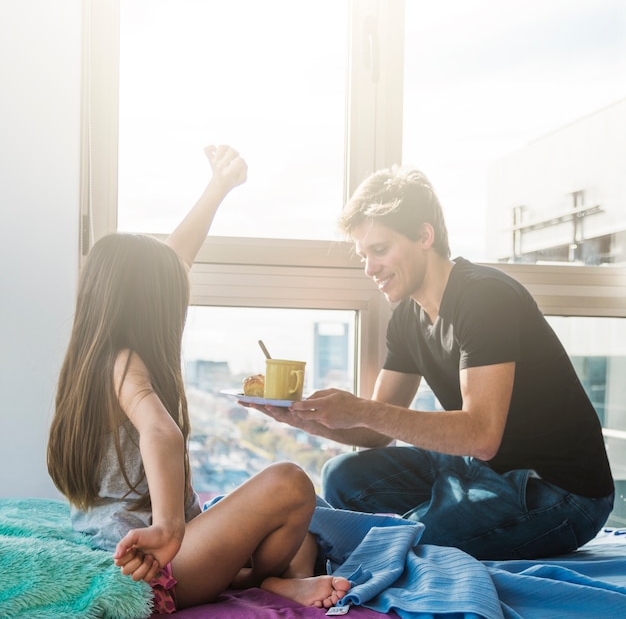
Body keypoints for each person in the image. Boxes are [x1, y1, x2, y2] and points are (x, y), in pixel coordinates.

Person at [250, 165, 615, 561]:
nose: (369, 268)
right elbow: (374, 431)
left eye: (379, 250)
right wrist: (301, 417)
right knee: (343, 477)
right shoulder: (408, 317)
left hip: (560, 491)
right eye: (363, 255)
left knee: (408, 543)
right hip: (480, 468)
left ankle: (403, 533)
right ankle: (417, 524)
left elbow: (480, 436)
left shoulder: (484, 297)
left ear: (424, 236)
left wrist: (359, 409)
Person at [47, 145, 350, 614]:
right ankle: (267, 581)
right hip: (157, 564)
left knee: (306, 525)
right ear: (152, 306)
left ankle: (275, 577)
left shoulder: (93, 357)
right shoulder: (126, 363)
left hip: (151, 548)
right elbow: (160, 431)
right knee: (292, 484)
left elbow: (173, 259)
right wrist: (170, 530)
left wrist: (218, 187)